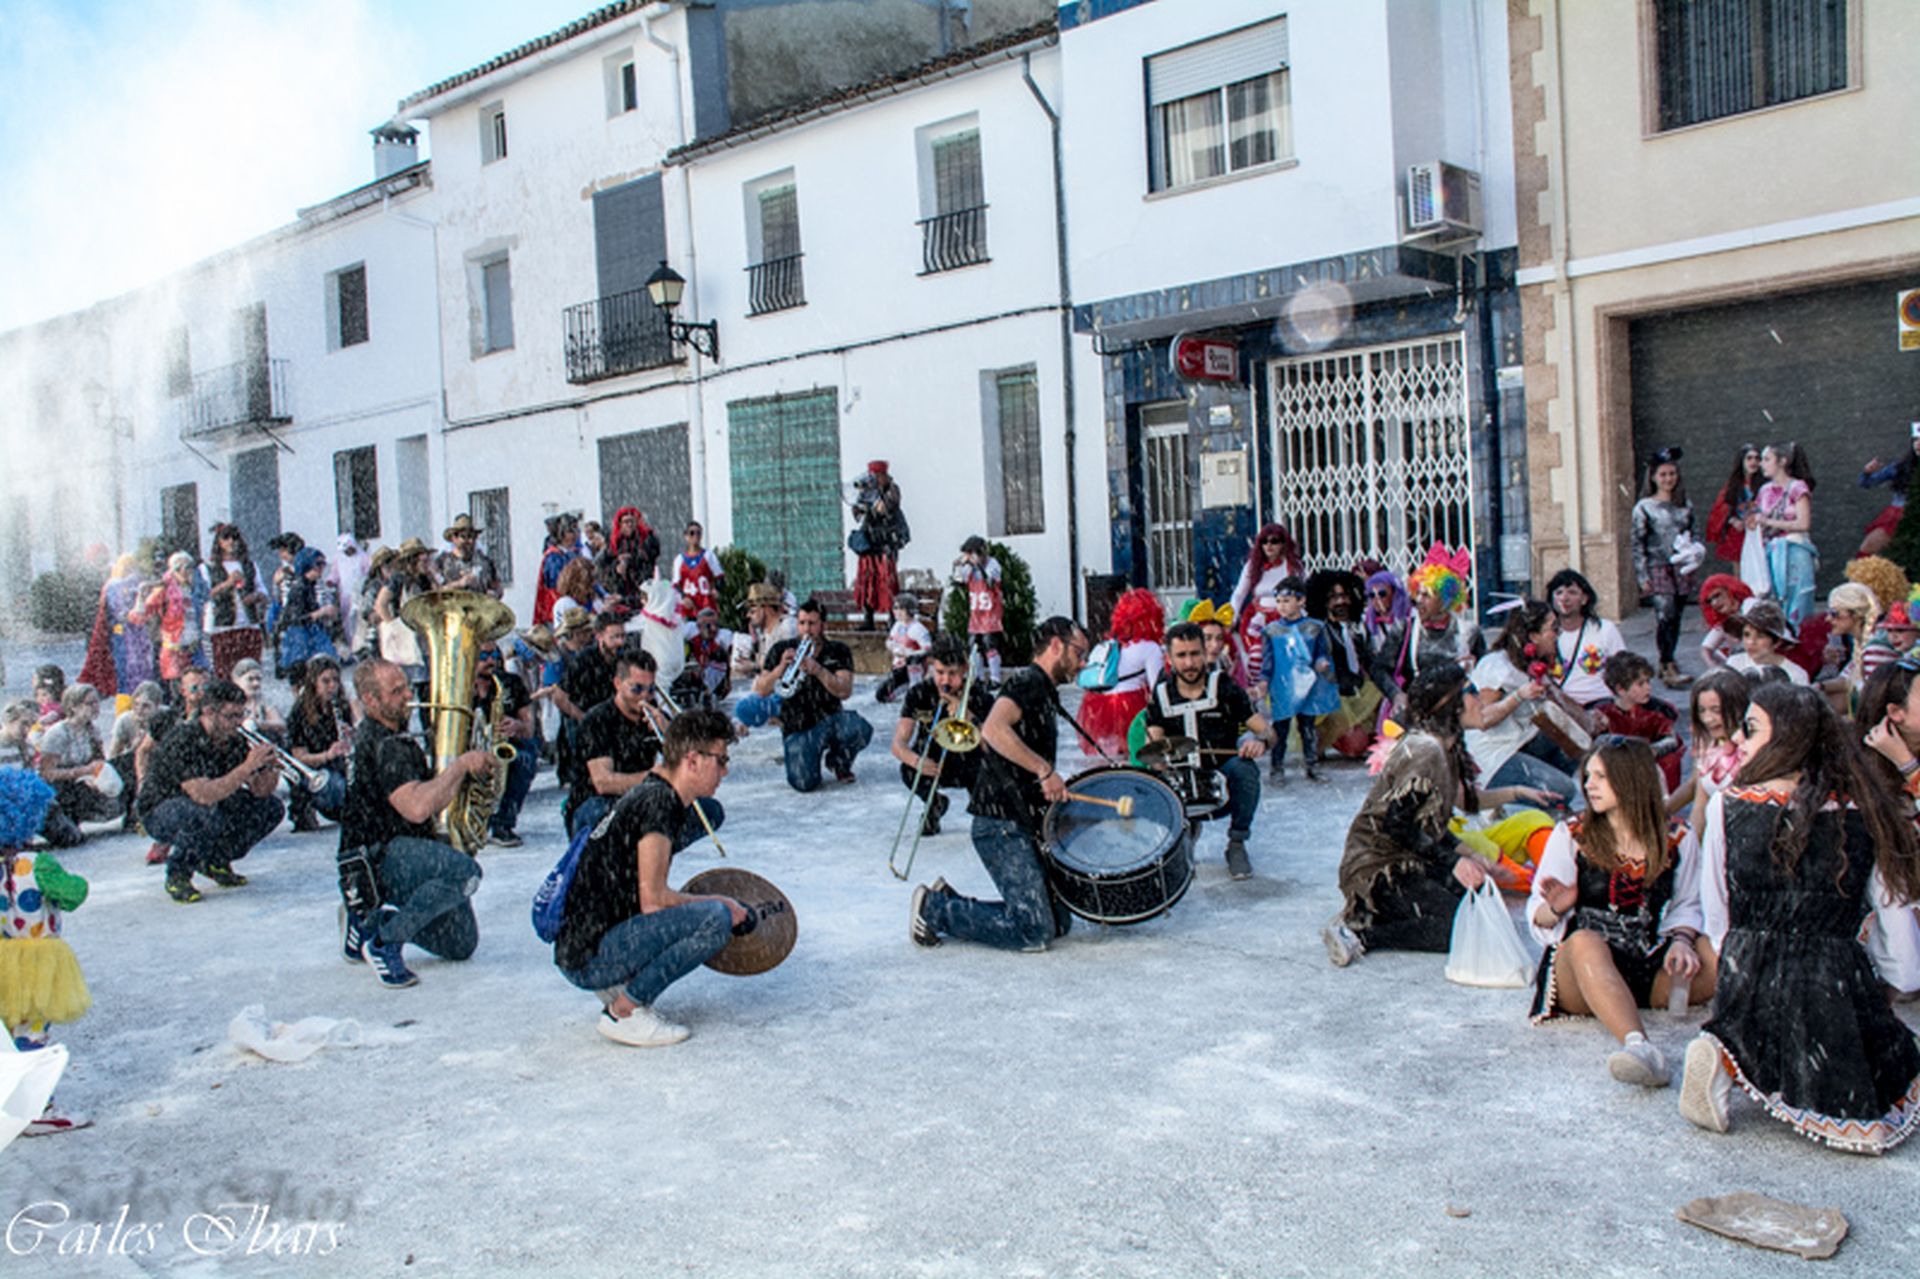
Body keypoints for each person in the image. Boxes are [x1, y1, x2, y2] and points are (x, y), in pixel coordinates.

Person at [1684, 683, 1920, 1150]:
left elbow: (1718, 913)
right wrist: (1894, 982)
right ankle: (1746, 1055)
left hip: (1745, 970)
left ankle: (1727, 1050)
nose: (1738, 741)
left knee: (1755, 1017)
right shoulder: (1861, 810)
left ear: (1788, 736)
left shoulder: (1726, 804)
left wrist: (1739, 963)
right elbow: (1892, 911)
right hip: (1831, 977)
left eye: (1750, 730)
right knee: (1873, 1069)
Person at [1323, 664, 1555, 967]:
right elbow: (1397, 827)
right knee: (1460, 927)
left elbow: (1436, 821)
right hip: (1378, 866)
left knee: (1481, 906)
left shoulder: (1448, 746)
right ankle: (1361, 934)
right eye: (1470, 692)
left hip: (1411, 856)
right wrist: (1455, 861)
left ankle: (1385, 911)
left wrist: (1475, 856)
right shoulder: (1426, 750)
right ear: (1449, 705)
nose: (1479, 700)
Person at [1526, 739, 1714, 1087]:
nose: (1589, 785)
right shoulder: (1572, 833)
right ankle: (1639, 1047)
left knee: (1715, 951)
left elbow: (1690, 903)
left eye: (1601, 776)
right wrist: (1557, 907)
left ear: (1631, 780)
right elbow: (1536, 914)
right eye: (1589, 776)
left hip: (1646, 962)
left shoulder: (1676, 837)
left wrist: (1683, 941)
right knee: (1583, 941)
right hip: (1582, 974)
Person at [552, 708, 735, 1047]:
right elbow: (654, 900)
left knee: (698, 912)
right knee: (715, 919)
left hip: (584, 944)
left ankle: (619, 985)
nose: (725, 771)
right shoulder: (658, 804)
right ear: (692, 760)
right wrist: (720, 901)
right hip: (590, 956)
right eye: (720, 760)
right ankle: (624, 1011)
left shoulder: (653, 792)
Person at [910, 616, 1088, 952]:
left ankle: (951, 900)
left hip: (1019, 817)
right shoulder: (1028, 683)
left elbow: (995, 742)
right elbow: (992, 730)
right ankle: (933, 909)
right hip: (1001, 823)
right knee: (1034, 931)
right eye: (1079, 653)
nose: (1081, 664)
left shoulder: (1043, 689)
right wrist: (1043, 770)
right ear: (1055, 645)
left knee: (1060, 921)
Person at [336, 659, 492, 989]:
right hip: (379, 855)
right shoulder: (383, 744)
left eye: (406, 686)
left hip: (395, 849)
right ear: (370, 700)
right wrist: (460, 765)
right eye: (396, 692)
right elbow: (418, 808)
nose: (408, 695)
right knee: (465, 873)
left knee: (460, 944)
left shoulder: (396, 738)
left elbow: (432, 802)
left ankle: (373, 920)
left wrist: (464, 771)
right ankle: (385, 942)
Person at [0, 768, 92, 1136]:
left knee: (8, 1032)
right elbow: (73, 895)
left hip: (4, 959)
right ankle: (37, 1108)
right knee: (33, 1034)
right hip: (39, 962)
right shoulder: (38, 864)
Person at [137, 679, 285, 904]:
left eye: (240, 715)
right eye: (230, 716)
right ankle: (178, 874)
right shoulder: (185, 739)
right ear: (209, 711)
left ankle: (216, 860)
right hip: (160, 809)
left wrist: (268, 768)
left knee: (270, 808)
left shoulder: (234, 739)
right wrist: (247, 767)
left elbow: (259, 791)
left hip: (206, 804)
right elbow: (202, 794)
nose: (237, 723)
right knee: (202, 813)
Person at [1144, 622, 1272, 879]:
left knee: (1245, 771)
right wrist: (1159, 762)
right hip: (1182, 782)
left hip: (1221, 781)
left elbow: (1267, 731)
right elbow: (1153, 748)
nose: (1189, 663)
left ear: (1205, 653)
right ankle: (1181, 838)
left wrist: (1261, 742)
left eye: (1194, 654)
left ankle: (1237, 842)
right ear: (1169, 658)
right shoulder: (1161, 694)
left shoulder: (1224, 687)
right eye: (1181, 655)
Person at [1463, 600, 1583, 810]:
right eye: (1552, 629)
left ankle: (1542, 798)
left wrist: (1590, 717)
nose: (1557, 634)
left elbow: (1563, 703)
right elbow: (1482, 719)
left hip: (1522, 743)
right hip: (1495, 754)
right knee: (1565, 790)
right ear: (1533, 636)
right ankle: (1507, 802)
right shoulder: (1498, 665)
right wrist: (1518, 696)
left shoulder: (1531, 664)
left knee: (1576, 742)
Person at [751, 600, 872, 792]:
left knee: (859, 728)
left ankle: (838, 761)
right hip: (797, 727)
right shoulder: (781, 649)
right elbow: (760, 690)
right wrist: (780, 668)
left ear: (823, 625)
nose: (806, 629)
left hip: (830, 719)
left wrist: (818, 670)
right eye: (802, 623)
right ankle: (811, 760)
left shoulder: (838, 651)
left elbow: (844, 691)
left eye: (812, 623)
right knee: (804, 784)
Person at [891, 640, 994, 837]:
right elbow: (898, 745)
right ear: (931, 667)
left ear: (964, 670)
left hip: (970, 763)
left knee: (990, 773)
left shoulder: (981, 695)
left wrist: (970, 718)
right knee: (907, 769)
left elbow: (993, 746)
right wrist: (916, 761)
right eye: (939, 672)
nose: (945, 681)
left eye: (952, 674)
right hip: (934, 761)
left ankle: (984, 814)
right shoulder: (919, 693)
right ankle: (935, 804)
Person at [1373, 549, 1484, 716]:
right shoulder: (1404, 628)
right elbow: (1379, 669)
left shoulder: (1469, 632)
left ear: (1445, 599)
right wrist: (1396, 695)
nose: (1419, 600)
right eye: (1418, 593)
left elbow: (1485, 674)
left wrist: (1473, 668)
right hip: (1417, 711)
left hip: (1455, 712)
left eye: (1427, 595)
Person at [568, 650, 667, 838]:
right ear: (618, 684)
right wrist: (654, 778)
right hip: (596, 801)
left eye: (651, 689)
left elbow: (685, 762)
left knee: (707, 809)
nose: (644, 697)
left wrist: (667, 731)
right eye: (637, 689)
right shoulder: (597, 720)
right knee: (606, 814)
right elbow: (603, 783)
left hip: (640, 796)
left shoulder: (654, 716)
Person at [1632, 446, 1699, 689]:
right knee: (1665, 613)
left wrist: (1694, 555)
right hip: (1657, 565)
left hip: (1681, 567)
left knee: (1677, 615)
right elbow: (1637, 543)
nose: (1668, 479)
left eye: (1672, 474)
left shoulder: (1685, 504)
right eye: (1663, 475)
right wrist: (1642, 575)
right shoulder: (1644, 507)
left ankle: (1670, 658)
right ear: (1653, 477)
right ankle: (1665, 661)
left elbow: (1694, 533)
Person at [1260, 577, 1337, 784]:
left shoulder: (1315, 628)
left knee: (1308, 727)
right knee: (1280, 728)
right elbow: (1268, 661)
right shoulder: (1271, 631)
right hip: (1283, 686)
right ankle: (1277, 767)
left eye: (1287, 600)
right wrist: (1264, 680)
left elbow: (1323, 652)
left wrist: (1321, 663)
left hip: (1308, 684)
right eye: (1279, 601)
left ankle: (1312, 764)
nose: (1282, 606)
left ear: (1301, 601)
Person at [1079, 588, 1164, 758]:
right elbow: (1159, 689)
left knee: (1110, 758)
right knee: (1136, 754)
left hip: (1099, 704)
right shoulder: (1150, 648)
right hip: (1129, 705)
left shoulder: (1109, 644)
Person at [469, 642, 537, 847]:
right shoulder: (458, 688)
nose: (492, 661)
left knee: (525, 758)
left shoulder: (510, 682)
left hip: (506, 745)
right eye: (484, 656)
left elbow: (529, 728)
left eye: (495, 655)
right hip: (469, 748)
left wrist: (517, 725)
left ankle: (503, 823)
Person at [35, 685, 119, 843]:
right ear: (74, 707)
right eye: (90, 703)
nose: (96, 707)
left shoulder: (91, 730)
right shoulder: (58, 733)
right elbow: (46, 773)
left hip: (82, 780)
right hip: (60, 786)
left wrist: (95, 776)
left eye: (97, 702)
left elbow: (98, 760)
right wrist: (81, 772)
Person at [1593, 653, 1685, 794]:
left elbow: (1671, 739)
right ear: (1620, 689)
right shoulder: (1603, 711)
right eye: (1640, 684)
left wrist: (1651, 751)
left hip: (1655, 765)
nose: (1648, 688)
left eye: (1648, 681)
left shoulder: (1659, 710)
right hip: (1620, 768)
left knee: (1670, 761)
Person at [1305, 572, 1375, 756]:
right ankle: (1319, 735)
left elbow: (1370, 663)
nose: (1340, 602)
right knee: (1355, 745)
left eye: (1344, 596)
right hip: (1330, 697)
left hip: (1354, 692)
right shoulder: (1318, 630)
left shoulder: (1357, 627)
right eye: (1334, 597)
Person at [1750, 441, 1817, 628]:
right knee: (1774, 598)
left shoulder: (1797, 488)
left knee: (1798, 598)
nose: (1761, 464)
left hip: (1794, 549)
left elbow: (1803, 523)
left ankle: (1798, 637)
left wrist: (1769, 522)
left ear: (1782, 461)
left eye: (1767, 459)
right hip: (1771, 550)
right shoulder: (1764, 491)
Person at [1674, 668, 1749, 830]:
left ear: (1738, 708)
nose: (1707, 719)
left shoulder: (1751, 750)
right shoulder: (1709, 744)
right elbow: (1699, 807)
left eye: (1716, 710)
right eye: (1702, 711)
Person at [1229, 524, 1304, 682]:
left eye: (1274, 541)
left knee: (1287, 659)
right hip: (1259, 617)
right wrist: (1231, 616)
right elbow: (1239, 594)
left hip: (1286, 618)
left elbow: (1303, 592)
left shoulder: (1293, 566)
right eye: (1264, 541)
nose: (1269, 545)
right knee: (1257, 658)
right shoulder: (1253, 566)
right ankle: (1259, 693)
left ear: (1284, 544)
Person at [284, 655, 352, 830]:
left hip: (336, 766)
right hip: (312, 771)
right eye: (326, 681)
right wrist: (328, 754)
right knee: (337, 787)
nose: (332, 686)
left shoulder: (340, 706)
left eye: (335, 680)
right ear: (314, 682)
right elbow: (298, 757)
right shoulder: (299, 712)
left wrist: (351, 736)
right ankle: (305, 806)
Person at [79, 552, 156, 698]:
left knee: (141, 667)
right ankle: (128, 700)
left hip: (137, 633)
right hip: (123, 633)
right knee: (127, 669)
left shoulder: (134, 582)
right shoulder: (114, 585)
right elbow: (118, 611)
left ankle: (142, 696)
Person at [1544, 568, 1623, 708]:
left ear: (1585, 599)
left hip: (1601, 703)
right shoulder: (1545, 634)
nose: (1564, 598)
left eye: (1572, 592)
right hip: (1560, 705)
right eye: (1558, 593)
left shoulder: (1605, 629)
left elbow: (1624, 669)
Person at [198, 524, 268, 681]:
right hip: (222, 627)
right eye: (226, 538)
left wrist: (255, 596)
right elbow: (204, 595)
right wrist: (227, 584)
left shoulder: (250, 565)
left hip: (248, 626)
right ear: (219, 542)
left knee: (250, 674)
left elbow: (263, 591)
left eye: (234, 538)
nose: (231, 542)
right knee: (224, 674)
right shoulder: (207, 568)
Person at [851, 460, 907, 630]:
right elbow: (858, 513)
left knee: (886, 581)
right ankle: (869, 619)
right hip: (870, 542)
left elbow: (885, 508)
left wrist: (872, 503)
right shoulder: (867, 490)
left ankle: (892, 618)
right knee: (868, 580)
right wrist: (859, 502)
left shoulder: (892, 489)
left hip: (886, 541)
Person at [1855, 424, 1920, 559]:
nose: (1918, 444)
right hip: (1898, 516)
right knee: (1868, 549)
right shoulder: (1900, 467)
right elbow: (1866, 483)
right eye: (1915, 440)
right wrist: (1867, 472)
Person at [275, 546, 337, 685]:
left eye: (323, 564)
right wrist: (321, 612)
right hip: (300, 641)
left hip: (306, 638)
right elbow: (295, 618)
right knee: (302, 678)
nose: (321, 568)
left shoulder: (309, 585)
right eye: (318, 564)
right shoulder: (299, 588)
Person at [728, 582, 796, 708]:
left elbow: (789, 668)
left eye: (753, 611)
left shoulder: (787, 627)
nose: (748, 615)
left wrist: (755, 666)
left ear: (766, 609)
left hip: (787, 699)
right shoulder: (763, 632)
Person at [1818, 581, 1879, 713]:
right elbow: (1846, 679)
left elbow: (1874, 697)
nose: (1828, 618)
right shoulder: (1861, 644)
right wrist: (1818, 687)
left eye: (1834, 613)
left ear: (1856, 614)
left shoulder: (1874, 649)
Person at [146, 551, 202, 689]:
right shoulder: (164, 588)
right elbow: (148, 608)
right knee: (177, 688)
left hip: (194, 645)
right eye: (180, 567)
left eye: (189, 567)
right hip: (174, 646)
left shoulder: (196, 587)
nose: (186, 571)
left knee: (196, 686)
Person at [1722, 599, 1807, 686]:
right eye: (1747, 635)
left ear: (1777, 642)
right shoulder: (1734, 663)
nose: (1751, 642)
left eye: (1760, 636)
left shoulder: (1796, 675)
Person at [956, 536, 1005, 684]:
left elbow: (991, 581)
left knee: (989, 644)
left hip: (990, 612)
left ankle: (995, 677)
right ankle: (978, 677)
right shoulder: (969, 568)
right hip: (976, 612)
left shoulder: (992, 564)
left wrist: (979, 566)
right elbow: (959, 579)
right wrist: (960, 566)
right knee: (974, 647)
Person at [1705, 443, 1763, 566]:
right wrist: (1733, 521)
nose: (1753, 462)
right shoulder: (1732, 486)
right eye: (1749, 458)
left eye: (1757, 458)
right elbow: (1720, 510)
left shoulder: (1765, 486)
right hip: (1739, 534)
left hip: (1760, 533)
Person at [596, 505, 659, 609]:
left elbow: (650, 557)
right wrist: (615, 567)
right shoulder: (613, 543)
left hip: (641, 587)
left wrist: (631, 560)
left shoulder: (646, 539)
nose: (629, 525)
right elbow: (601, 567)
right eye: (626, 522)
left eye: (632, 521)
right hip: (620, 588)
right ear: (620, 524)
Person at [877, 592, 931, 703]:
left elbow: (928, 649)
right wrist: (891, 646)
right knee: (881, 694)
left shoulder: (918, 629)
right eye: (895, 608)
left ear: (909, 610)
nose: (897, 612)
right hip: (898, 667)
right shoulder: (898, 625)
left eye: (901, 609)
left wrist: (910, 653)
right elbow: (890, 640)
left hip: (913, 668)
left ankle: (915, 689)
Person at [676, 608, 735, 708]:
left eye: (716, 625)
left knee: (719, 655)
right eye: (708, 626)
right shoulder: (690, 635)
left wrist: (728, 681)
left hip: (712, 681)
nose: (714, 629)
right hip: (692, 676)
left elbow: (729, 663)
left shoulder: (722, 640)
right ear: (698, 626)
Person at [433, 514, 502, 599]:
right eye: (464, 537)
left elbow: (497, 587)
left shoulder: (485, 562)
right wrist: (459, 584)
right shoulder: (442, 562)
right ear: (454, 538)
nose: (470, 541)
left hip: (479, 609)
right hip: (452, 609)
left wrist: (494, 593)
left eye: (472, 536)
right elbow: (435, 593)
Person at [533, 512, 583, 627]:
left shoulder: (572, 554)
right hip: (557, 609)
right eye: (571, 531)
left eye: (576, 530)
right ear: (561, 534)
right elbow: (557, 585)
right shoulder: (553, 557)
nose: (575, 535)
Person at [328, 534, 372, 656]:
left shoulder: (363, 557)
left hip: (359, 594)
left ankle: (360, 645)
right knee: (347, 621)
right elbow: (335, 573)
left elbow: (368, 573)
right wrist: (331, 581)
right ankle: (351, 644)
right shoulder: (339, 559)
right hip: (345, 596)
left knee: (359, 620)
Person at [671, 522, 722, 621]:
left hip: (706, 605)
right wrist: (683, 598)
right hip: (689, 608)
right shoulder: (680, 559)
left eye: (698, 533)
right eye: (692, 533)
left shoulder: (708, 555)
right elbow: (675, 585)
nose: (695, 536)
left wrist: (716, 589)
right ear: (686, 536)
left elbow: (720, 577)